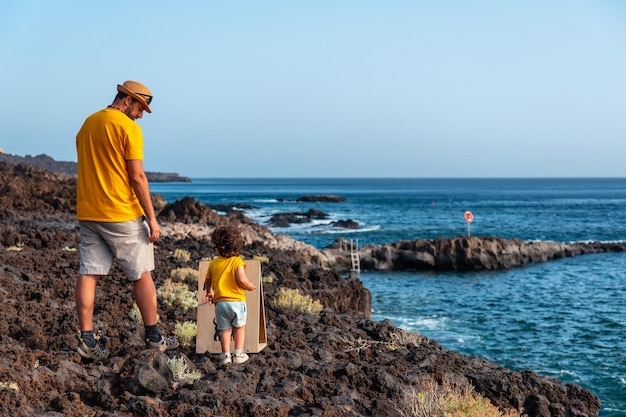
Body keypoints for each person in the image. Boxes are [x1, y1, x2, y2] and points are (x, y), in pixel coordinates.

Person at [74, 80, 178, 360]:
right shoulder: (128, 128)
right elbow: (137, 177)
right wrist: (152, 219)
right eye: (140, 107)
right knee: (142, 274)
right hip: (121, 213)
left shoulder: (88, 124)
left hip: (89, 212)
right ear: (127, 100)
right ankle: (155, 338)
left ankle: (87, 340)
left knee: (89, 272)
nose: (141, 114)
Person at [204, 226, 257, 366]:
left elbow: (207, 281)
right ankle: (238, 354)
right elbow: (241, 280)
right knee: (239, 328)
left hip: (220, 304)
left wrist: (209, 292)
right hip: (237, 302)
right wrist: (250, 286)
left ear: (217, 248)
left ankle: (225, 356)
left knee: (224, 330)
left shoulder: (213, 263)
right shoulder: (237, 261)